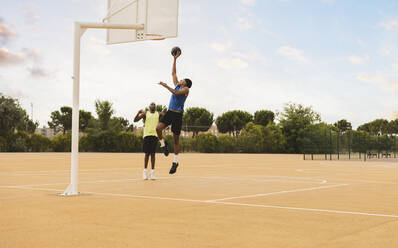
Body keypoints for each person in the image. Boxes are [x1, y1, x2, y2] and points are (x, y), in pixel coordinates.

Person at [156, 49, 192, 174]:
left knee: (176, 140)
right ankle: (163, 145)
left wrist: (166, 86)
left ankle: (175, 162)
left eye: (182, 80)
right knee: (158, 128)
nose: (180, 79)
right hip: (169, 113)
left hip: (177, 115)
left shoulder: (186, 89)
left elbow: (176, 93)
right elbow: (173, 73)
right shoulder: (177, 84)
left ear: (185, 83)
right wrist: (175, 59)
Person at [134, 102, 164, 180]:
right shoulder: (145, 114)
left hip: (155, 135)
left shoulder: (159, 114)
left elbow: (167, 118)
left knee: (153, 154)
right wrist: (138, 113)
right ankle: (144, 172)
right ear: (149, 106)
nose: (153, 105)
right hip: (147, 135)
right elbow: (135, 120)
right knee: (147, 154)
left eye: (154, 104)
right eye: (151, 104)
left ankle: (152, 173)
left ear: (156, 107)